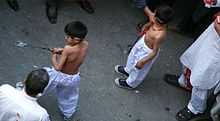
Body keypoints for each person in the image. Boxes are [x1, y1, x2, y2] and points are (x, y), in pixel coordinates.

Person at [163, 13, 220, 121]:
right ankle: (185, 82)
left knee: (203, 77)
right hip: (210, 37)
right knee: (193, 58)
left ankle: (195, 108)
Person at [114, 4, 173, 89]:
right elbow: (150, 23)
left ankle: (131, 83)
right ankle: (128, 70)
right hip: (143, 42)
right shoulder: (155, 21)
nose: (152, 14)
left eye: (154, 13)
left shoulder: (159, 35)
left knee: (138, 69)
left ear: (157, 18)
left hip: (147, 52)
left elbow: (154, 52)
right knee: (132, 56)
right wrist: (145, 27)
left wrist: (143, 61)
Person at [43, 21, 89, 120]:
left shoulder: (68, 49)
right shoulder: (85, 44)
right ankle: (68, 114)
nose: (66, 38)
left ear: (76, 39)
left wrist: (54, 56)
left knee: (41, 83)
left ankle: (26, 93)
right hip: (74, 78)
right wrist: (62, 51)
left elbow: (58, 68)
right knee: (69, 97)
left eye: (68, 36)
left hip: (59, 76)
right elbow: (75, 55)